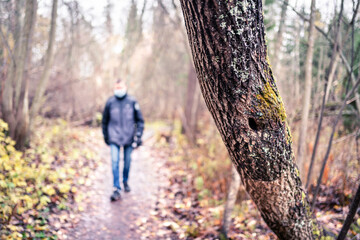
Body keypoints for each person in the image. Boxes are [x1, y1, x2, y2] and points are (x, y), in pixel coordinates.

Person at [102, 79, 144, 201]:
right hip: (114, 137)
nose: (118, 90)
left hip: (129, 138)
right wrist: (106, 137)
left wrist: (138, 136)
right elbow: (104, 121)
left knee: (127, 162)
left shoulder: (132, 101)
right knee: (114, 162)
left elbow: (140, 121)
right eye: (116, 88)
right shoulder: (110, 102)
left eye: (120, 87)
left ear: (125, 87)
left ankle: (125, 181)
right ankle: (116, 188)